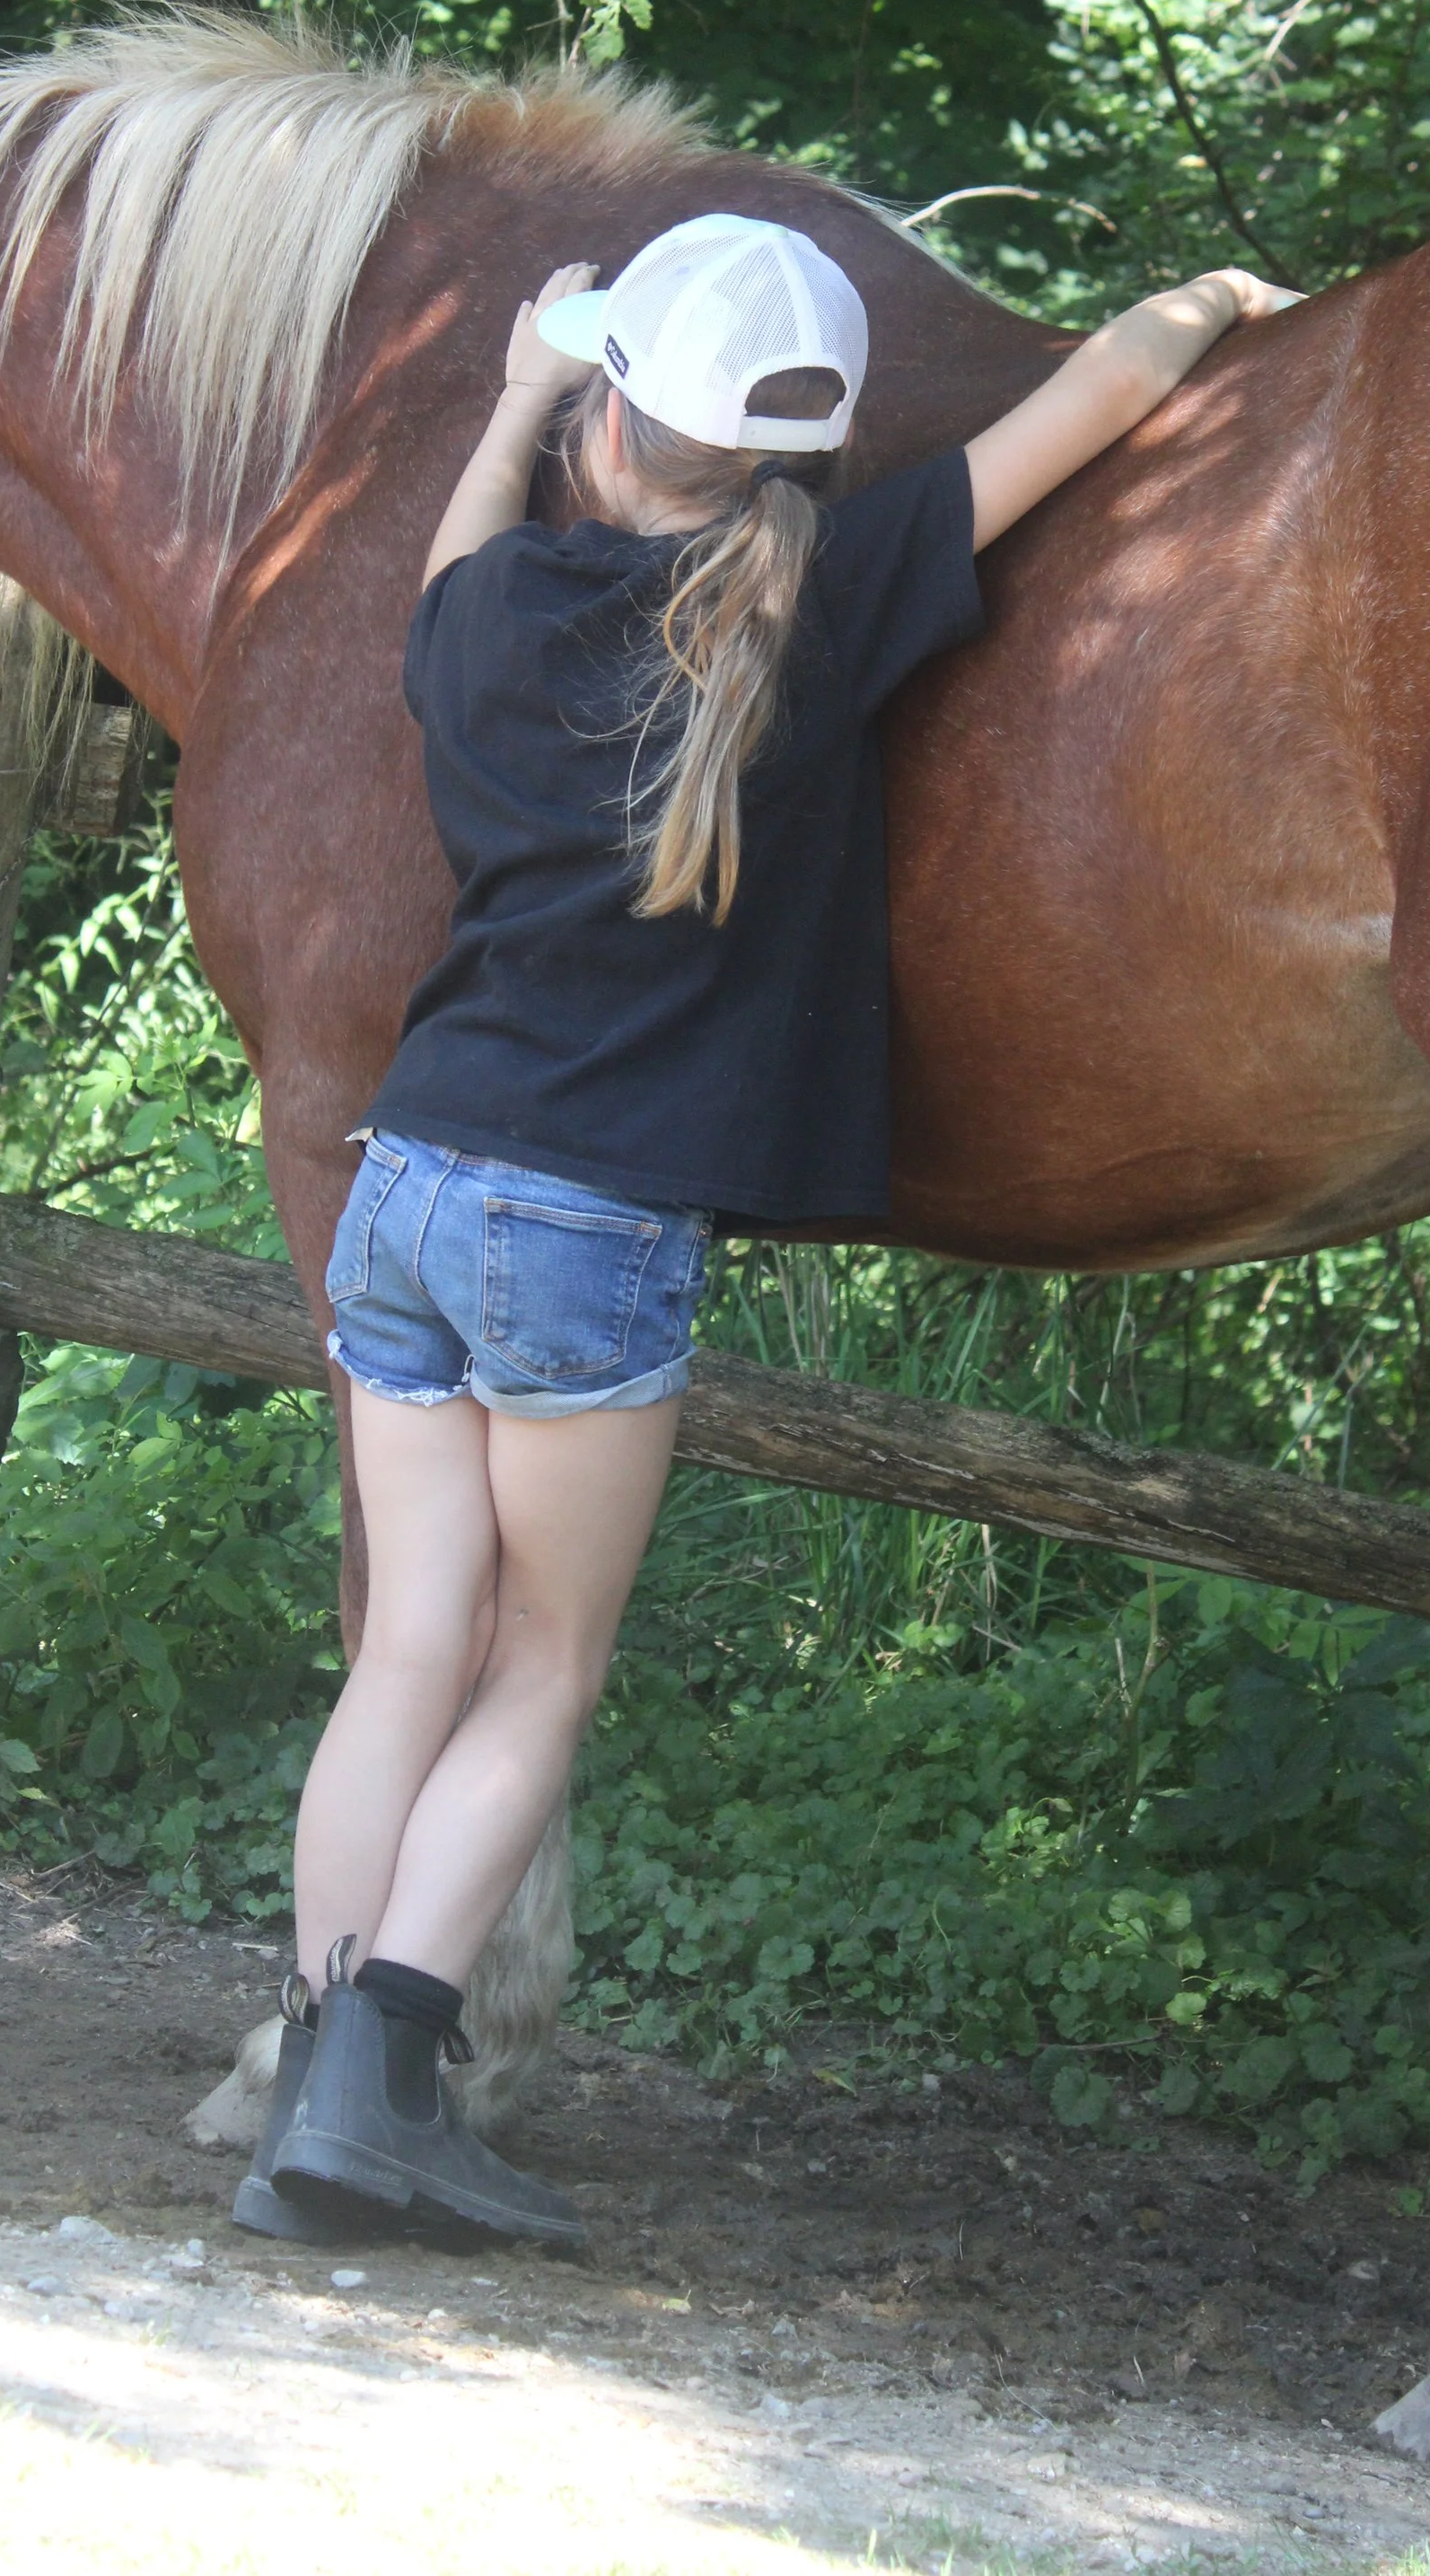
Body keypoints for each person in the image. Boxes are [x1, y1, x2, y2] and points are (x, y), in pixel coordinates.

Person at [237, 211, 1293, 2246]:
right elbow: (1085, 407)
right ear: (786, 451)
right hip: (579, 1230)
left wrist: (523, 381)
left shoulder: (483, 614)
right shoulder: (813, 609)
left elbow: (463, 532)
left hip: (409, 1186)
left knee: (408, 1651)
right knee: (539, 1668)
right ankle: (377, 2089)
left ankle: (309, 2079)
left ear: (616, 414)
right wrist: (1209, 302)